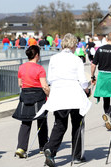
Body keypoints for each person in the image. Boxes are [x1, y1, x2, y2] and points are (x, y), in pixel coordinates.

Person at [38, 33, 91, 167]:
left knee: (60, 124)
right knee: (77, 125)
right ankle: (77, 155)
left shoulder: (54, 58)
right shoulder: (76, 59)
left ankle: (51, 148)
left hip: (59, 94)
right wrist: (88, 86)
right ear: (73, 45)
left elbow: (50, 79)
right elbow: (83, 82)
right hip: (74, 95)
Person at [12, 45, 50, 158]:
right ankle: (43, 147)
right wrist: (49, 94)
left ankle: (21, 148)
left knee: (25, 122)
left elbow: (20, 84)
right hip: (38, 96)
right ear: (37, 55)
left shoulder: (21, 67)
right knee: (41, 121)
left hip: (25, 95)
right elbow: (44, 86)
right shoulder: (40, 69)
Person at [91, 32, 111, 130]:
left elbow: (93, 65)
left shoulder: (99, 49)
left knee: (105, 99)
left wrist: (92, 77)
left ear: (106, 39)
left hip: (101, 75)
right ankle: (108, 115)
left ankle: (108, 118)